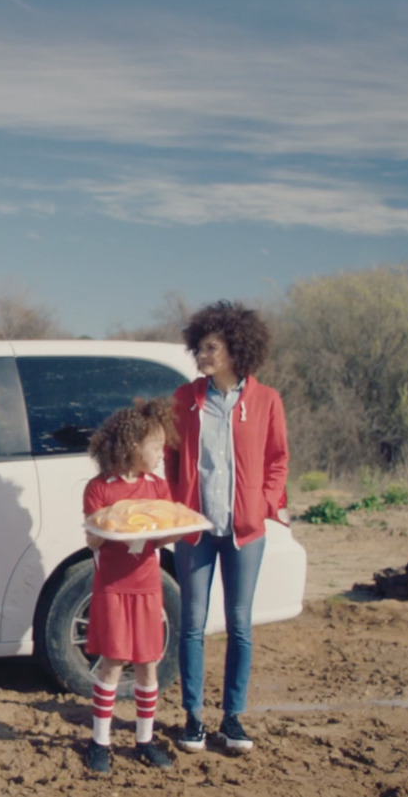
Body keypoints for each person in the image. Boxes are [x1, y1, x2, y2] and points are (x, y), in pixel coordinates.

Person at [167, 300, 288, 754]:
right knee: (192, 626)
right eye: (199, 346)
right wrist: (179, 508)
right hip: (195, 531)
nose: (202, 354)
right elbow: (172, 457)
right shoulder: (186, 399)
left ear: (236, 349)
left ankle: (233, 719)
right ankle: (193, 719)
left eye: (210, 347)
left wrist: (264, 503)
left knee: (240, 625)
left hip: (245, 532)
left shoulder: (266, 400)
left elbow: (277, 461)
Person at [77, 399, 182, 773]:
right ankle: (99, 742)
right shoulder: (99, 488)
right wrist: (104, 531)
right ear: (131, 445)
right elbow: (93, 537)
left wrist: (158, 529)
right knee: (112, 663)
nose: (160, 453)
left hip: (148, 586)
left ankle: (145, 740)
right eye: (154, 446)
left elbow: (166, 530)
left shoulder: (157, 487)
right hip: (113, 587)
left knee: (147, 664)